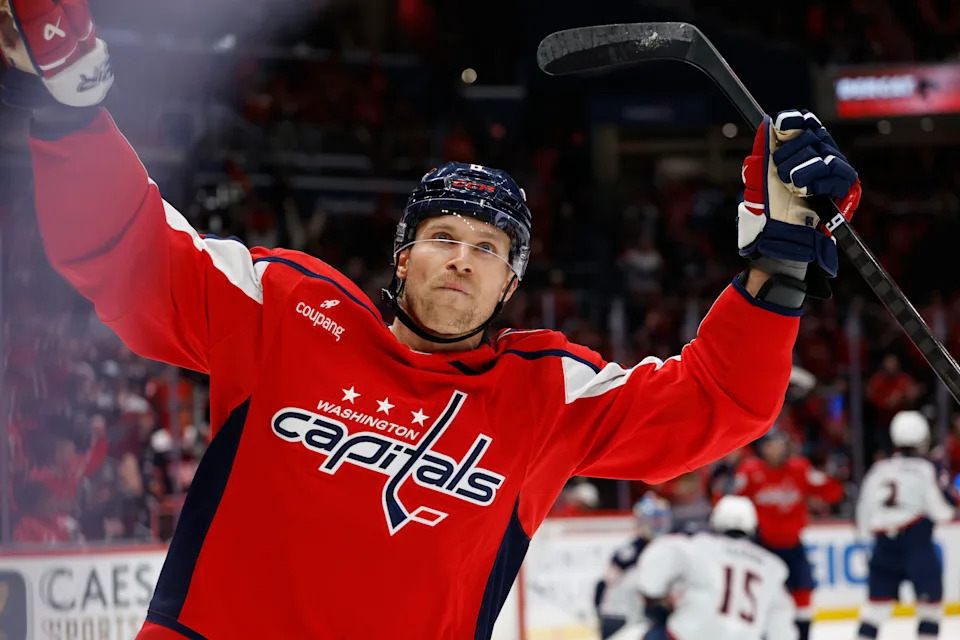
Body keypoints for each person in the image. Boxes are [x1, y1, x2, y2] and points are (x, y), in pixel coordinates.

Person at [0, 1, 861, 637]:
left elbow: (719, 403)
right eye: (443, 235)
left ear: (510, 286)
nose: (462, 257)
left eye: (490, 249)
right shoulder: (284, 308)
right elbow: (122, 249)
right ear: (402, 258)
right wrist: (74, 110)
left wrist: (777, 266)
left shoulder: (545, 392)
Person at [626, 495, 797, 640]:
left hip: (688, 634)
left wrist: (654, 596)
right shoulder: (772, 566)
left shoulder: (699, 545)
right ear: (753, 526)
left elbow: (653, 568)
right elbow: (782, 628)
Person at [854, 411, 957, 640]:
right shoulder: (927, 468)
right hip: (917, 545)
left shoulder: (879, 469)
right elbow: (943, 511)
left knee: (875, 612)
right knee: (930, 609)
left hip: (883, 547)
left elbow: (863, 513)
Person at [733, 428, 843, 639]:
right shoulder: (749, 471)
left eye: (779, 444)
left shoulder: (799, 468)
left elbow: (832, 492)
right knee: (762, 597)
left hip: (794, 545)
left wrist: (831, 476)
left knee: (803, 594)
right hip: (763, 548)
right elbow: (729, 500)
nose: (775, 450)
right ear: (762, 448)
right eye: (770, 445)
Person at [594, 492, 672, 639]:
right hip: (623, 619)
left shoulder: (645, 549)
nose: (658, 525)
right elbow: (603, 584)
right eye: (654, 520)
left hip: (630, 618)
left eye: (660, 520)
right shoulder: (633, 552)